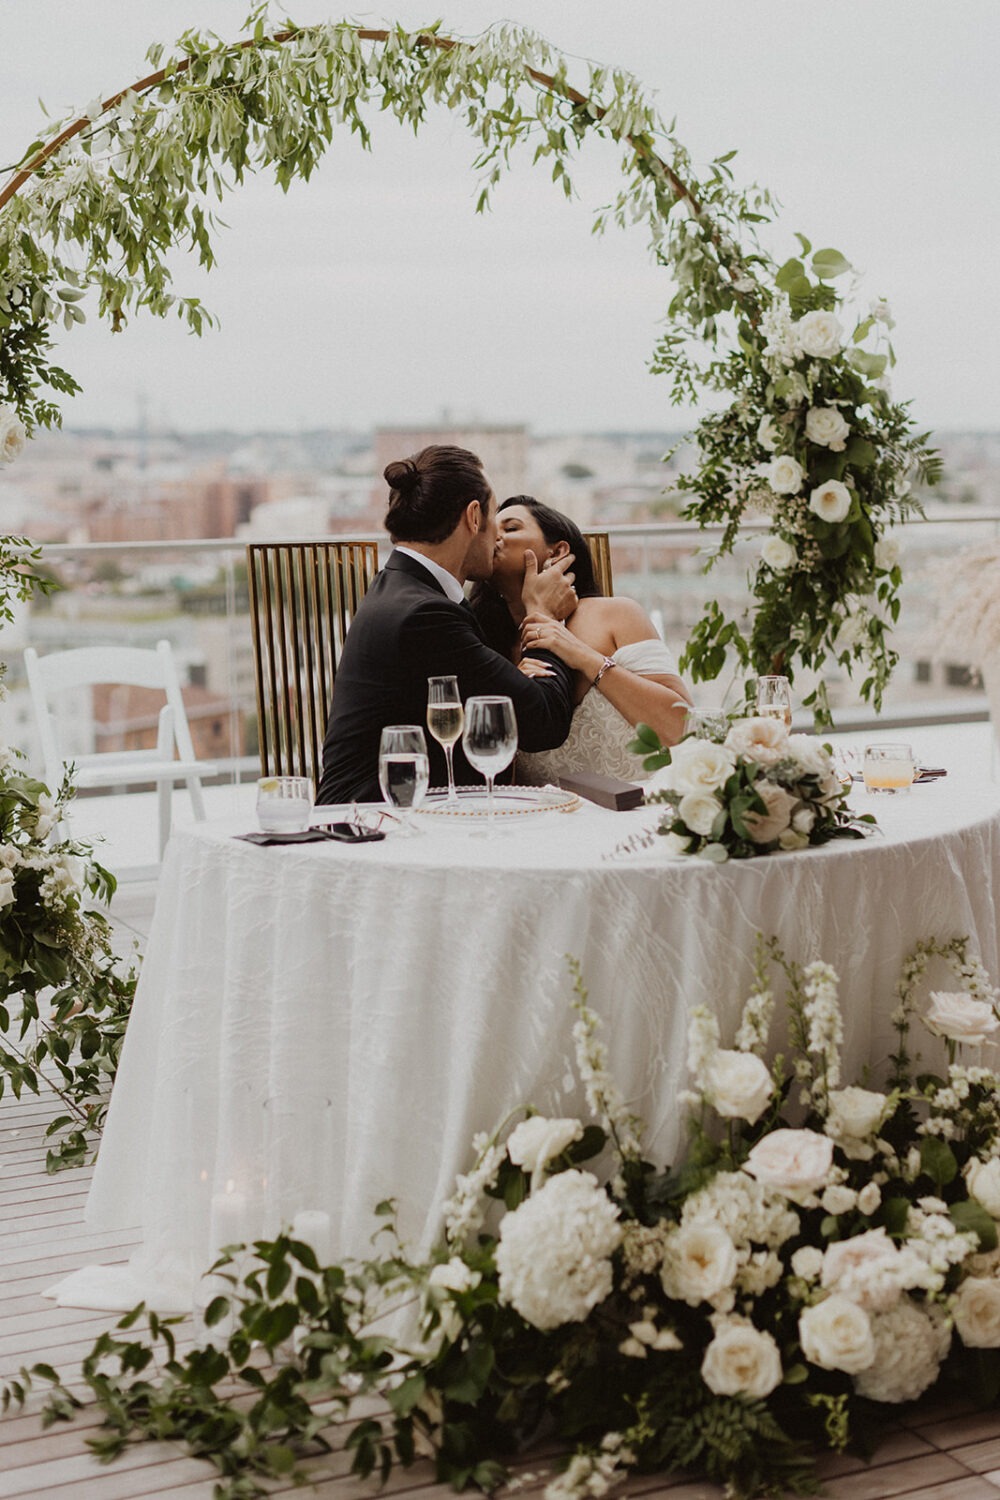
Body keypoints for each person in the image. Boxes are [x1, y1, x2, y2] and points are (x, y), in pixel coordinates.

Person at [316, 448, 578, 805]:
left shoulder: (401, 587)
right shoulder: (425, 615)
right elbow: (544, 722)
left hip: (405, 809)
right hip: (376, 824)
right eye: (493, 519)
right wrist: (544, 616)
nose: (497, 537)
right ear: (473, 516)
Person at [469, 496, 692, 783]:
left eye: (510, 528)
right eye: (489, 529)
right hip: (538, 821)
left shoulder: (616, 615)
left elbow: (682, 729)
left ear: (558, 550)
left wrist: (582, 655)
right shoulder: (480, 640)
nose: (494, 536)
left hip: (636, 815)